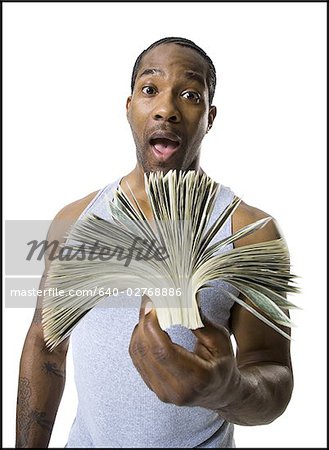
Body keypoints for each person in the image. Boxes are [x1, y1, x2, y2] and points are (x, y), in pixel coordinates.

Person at [16, 37, 293, 448]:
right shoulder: (74, 221)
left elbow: (273, 371)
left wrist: (227, 388)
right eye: (150, 90)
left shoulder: (250, 232)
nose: (167, 108)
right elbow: (45, 347)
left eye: (190, 94)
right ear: (129, 108)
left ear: (210, 116)